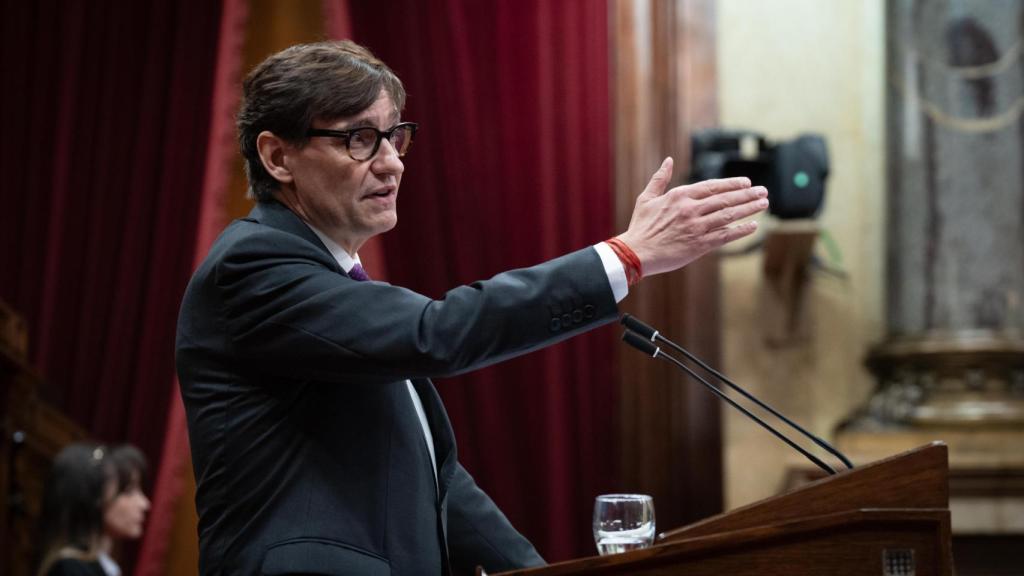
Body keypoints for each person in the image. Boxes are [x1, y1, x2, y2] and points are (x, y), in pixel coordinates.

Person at [176, 40, 767, 576]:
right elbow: (437, 333)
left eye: (395, 135)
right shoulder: (253, 267)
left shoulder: (336, 285)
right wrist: (624, 256)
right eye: (359, 139)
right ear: (279, 157)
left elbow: (439, 483)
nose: (391, 161)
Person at [36, 443, 150, 576]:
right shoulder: (71, 570)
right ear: (95, 499)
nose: (145, 504)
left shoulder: (102, 566)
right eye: (129, 491)